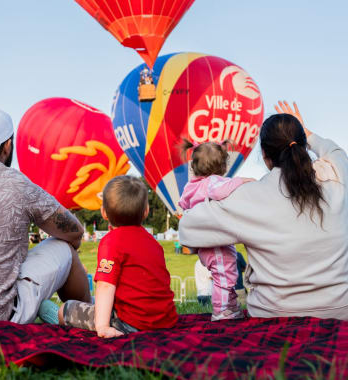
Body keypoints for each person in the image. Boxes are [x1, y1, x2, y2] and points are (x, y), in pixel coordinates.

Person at [179, 101, 348, 320]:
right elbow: (335, 152)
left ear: (265, 156)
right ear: (302, 146)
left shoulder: (248, 196)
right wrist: (307, 134)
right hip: (341, 310)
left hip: (274, 314)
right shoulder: (337, 174)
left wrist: (199, 184)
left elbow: (187, 228)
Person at [0, 108, 91, 323]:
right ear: (7, 145)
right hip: (0, 317)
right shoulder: (17, 183)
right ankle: (90, 313)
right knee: (65, 248)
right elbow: (74, 232)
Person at [57, 176, 179, 337]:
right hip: (165, 320)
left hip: (130, 323)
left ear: (103, 213)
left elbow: (106, 285)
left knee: (64, 309)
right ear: (146, 211)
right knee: (94, 302)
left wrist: (102, 326)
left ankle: (51, 314)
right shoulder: (154, 243)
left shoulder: (111, 242)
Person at [178, 139, 253, 320]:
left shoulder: (190, 186)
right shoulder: (213, 182)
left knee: (225, 272)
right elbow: (219, 191)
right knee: (225, 274)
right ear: (222, 166)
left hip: (204, 243)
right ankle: (222, 310)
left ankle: (231, 305)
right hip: (215, 240)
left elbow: (182, 204)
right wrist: (242, 181)